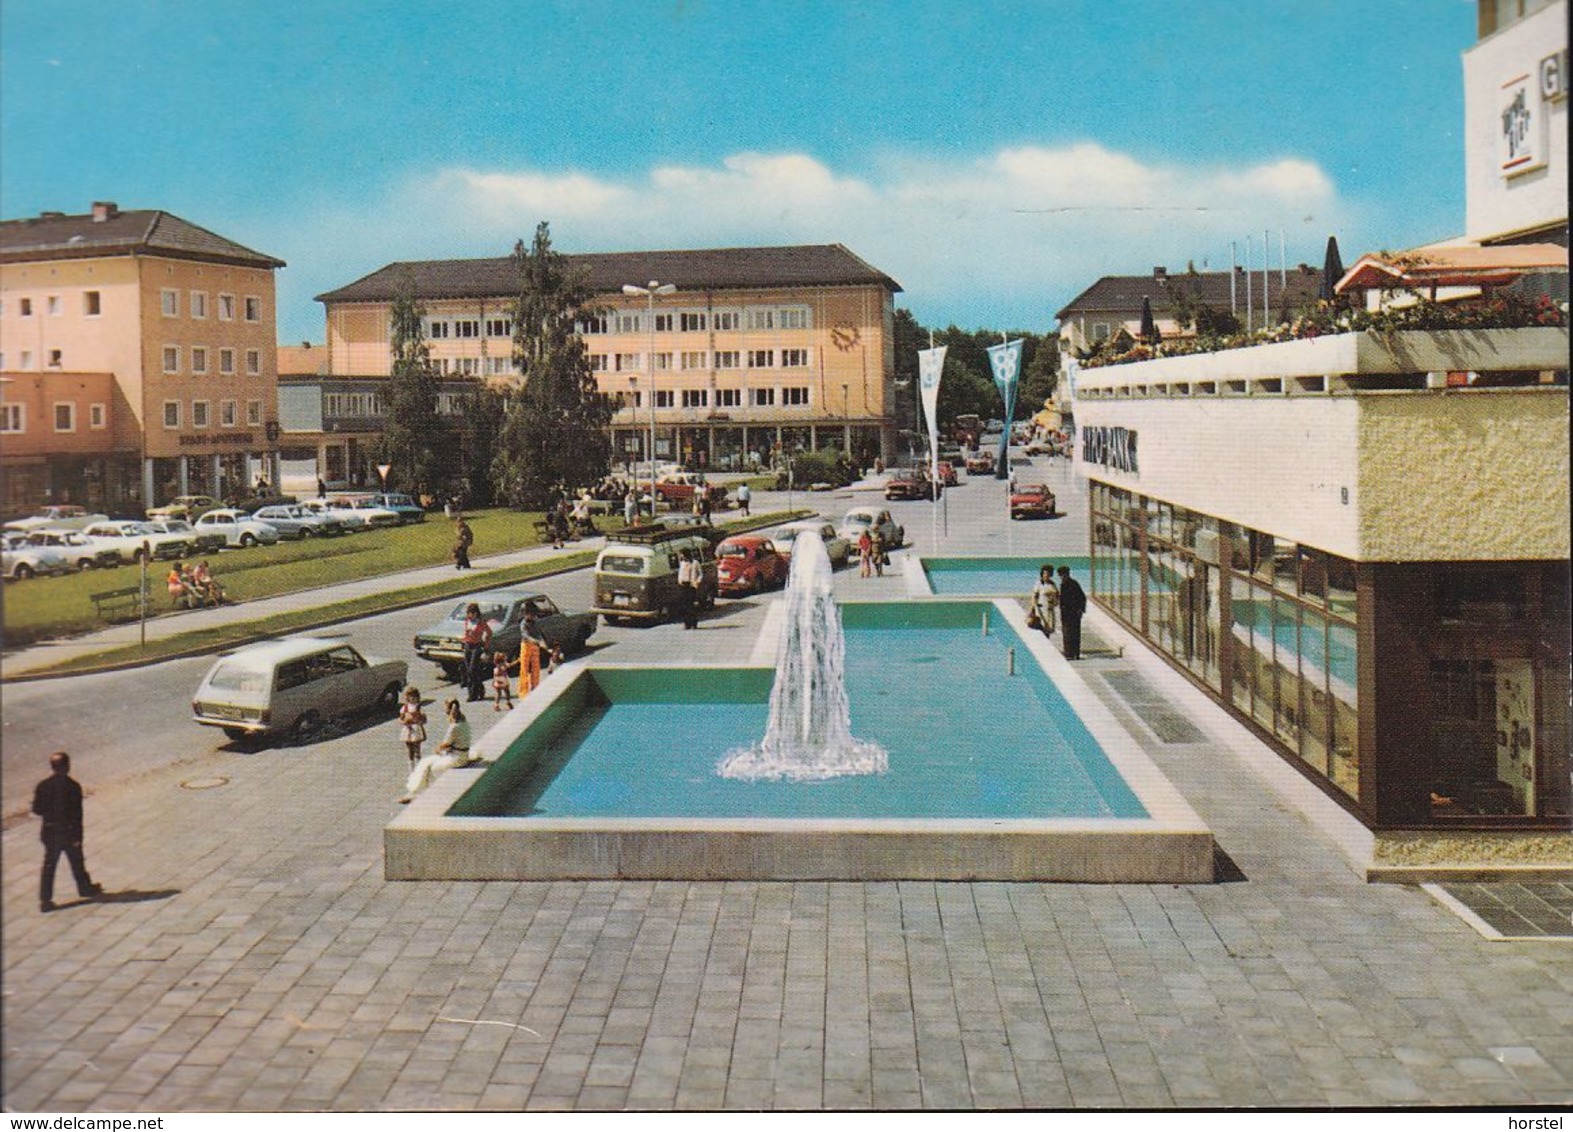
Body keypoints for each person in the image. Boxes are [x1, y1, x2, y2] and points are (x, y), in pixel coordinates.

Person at [33, 752, 102, 912]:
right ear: (68, 766)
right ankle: (85, 888)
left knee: (49, 866)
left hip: (50, 832)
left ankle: (45, 900)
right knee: (77, 861)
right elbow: (77, 815)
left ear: (52, 767)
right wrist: (78, 836)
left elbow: (37, 809)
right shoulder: (73, 786)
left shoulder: (43, 785)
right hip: (69, 832)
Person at [400, 700, 474, 802]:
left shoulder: (454, 727)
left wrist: (437, 750)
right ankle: (417, 791)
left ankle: (415, 792)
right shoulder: (464, 722)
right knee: (426, 762)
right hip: (462, 754)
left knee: (427, 765)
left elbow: (445, 744)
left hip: (456, 758)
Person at [460, 602, 493, 701]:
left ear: (476, 613)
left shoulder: (481, 622)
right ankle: (474, 692)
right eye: (469, 613)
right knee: (468, 671)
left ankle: (475, 692)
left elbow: (489, 633)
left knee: (472, 669)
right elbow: (466, 634)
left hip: (476, 646)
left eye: (473, 613)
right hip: (468, 646)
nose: (471, 615)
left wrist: (485, 645)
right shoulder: (467, 621)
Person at [1057, 565, 1087, 659]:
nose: (1062, 577)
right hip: (1065, 614)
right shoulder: (1062, 585)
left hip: (1074, 613)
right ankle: (1068, 653)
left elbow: (1082, 597)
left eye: (1064, 575)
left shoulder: (1074, 584)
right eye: (1061, 576)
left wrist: (1081, 610)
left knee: (1075, 633)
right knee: (1066, 633)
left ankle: (1075, 653)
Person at [398, 686, 427, 767]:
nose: (413, 698)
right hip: (408, 729)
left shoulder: (419, 708)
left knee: (417, 749)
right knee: (410, 750)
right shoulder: (405, 708)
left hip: (416, 729)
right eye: (411, 696)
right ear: (407, 697)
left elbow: (424, 720)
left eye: (415, 696)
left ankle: (419, 767)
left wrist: (420, 720)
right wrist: (404, 722)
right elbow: (400, 719)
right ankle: (411, 768)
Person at [1030, 565, 1059, 638]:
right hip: (1041, 610)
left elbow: (1057, 596)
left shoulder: (1052, 584)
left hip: (1049, 610)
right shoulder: (1039, 583)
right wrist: (1033, 608)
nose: (1046, 576)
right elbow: (1034, 596)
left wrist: (1054, 602)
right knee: (1040, 628)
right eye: (1045, 573)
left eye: (1048, 574)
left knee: (1048, 629)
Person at [676, 549, 701, 630]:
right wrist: (679, 580)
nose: (681, 556)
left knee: (692, 605)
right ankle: (687, 623)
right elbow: (680, 573)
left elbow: (700, 574)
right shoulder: (682, 563)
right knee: (685, 605)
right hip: (684, 585)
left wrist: (697, 582)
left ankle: (694, 623)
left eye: (682, 554)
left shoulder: (695, 563)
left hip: (691, 585)